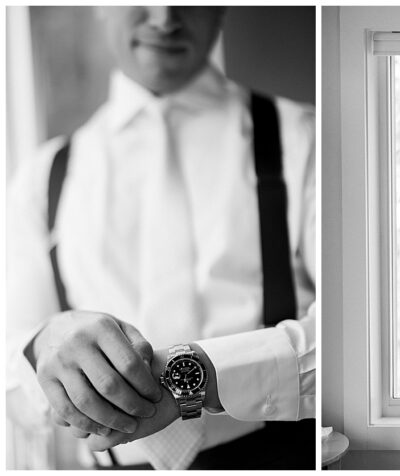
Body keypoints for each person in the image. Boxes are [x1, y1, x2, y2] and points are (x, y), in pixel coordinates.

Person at [6, 6, 316, 470]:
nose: (165, 17)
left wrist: (208, 377)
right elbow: (11, 373)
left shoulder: (308, 140)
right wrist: (43, 343)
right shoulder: (41, 178)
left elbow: (359, 341)